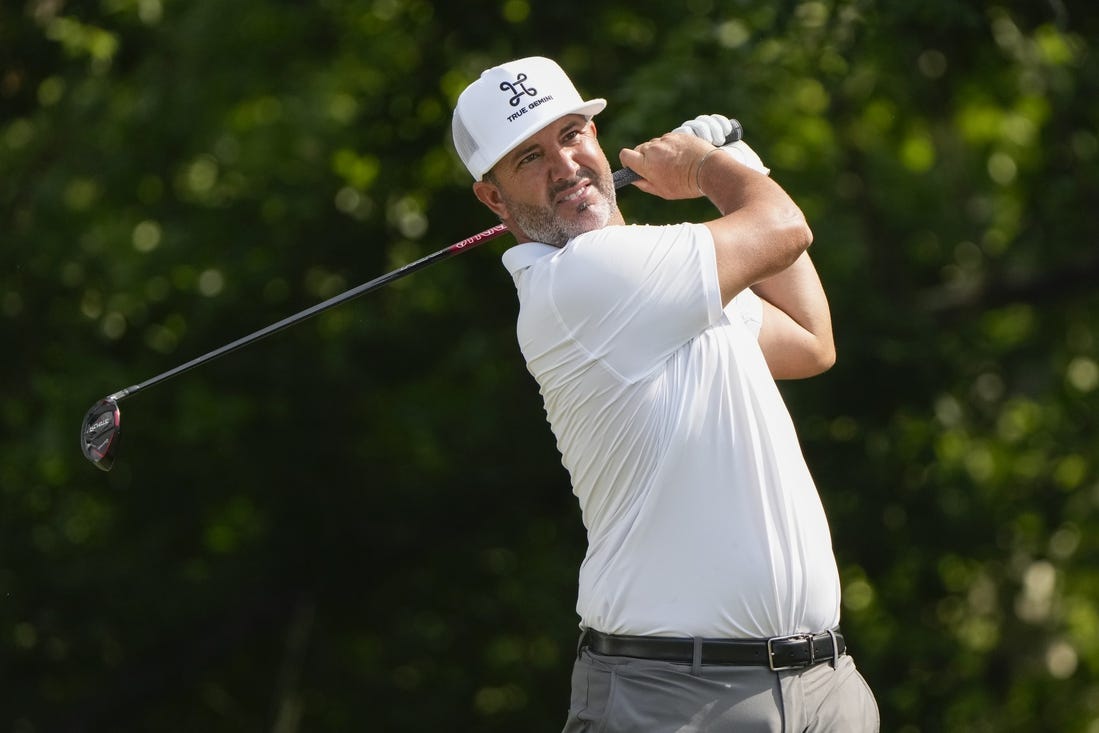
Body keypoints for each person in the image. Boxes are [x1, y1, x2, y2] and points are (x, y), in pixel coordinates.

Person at [451, 56, 879, 732]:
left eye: (572, 134)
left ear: (597, 138)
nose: (564, 166)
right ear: (493, 200)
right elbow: (785, 229)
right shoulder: (584, 280)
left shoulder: (663, 274)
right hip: (678, 699)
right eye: (528, 157)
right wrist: (707, 168)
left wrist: (739, 163)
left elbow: (807, 338)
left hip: (821, 688)